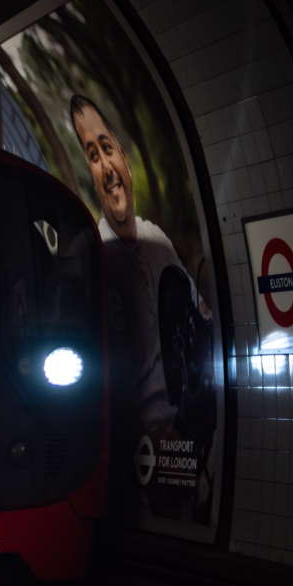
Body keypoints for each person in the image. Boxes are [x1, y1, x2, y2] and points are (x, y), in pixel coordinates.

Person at [69, 94, 214, 524]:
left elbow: (196, 314)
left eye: (107, 148)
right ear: (90, 174)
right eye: (92, 156)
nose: (106, 166)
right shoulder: (89, 254)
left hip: (187, 448)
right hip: (133, 460)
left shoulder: (158, 240)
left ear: (125, 159)